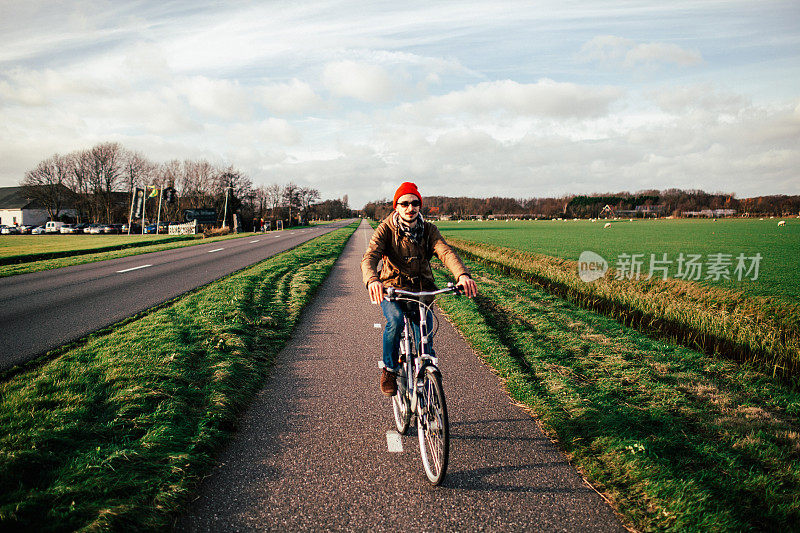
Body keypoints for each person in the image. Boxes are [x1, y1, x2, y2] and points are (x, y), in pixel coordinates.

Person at [361, 182, 478, 396]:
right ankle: (389, 369)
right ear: (396, 206)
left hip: (422, 291)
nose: (410, 208)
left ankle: (428, 379)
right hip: (392, 290)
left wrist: (462, 275)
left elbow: (445, 252)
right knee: (395, 322)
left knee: (425, 335)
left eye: (415, 203)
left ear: (419, 206)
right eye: (404, 203)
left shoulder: (429, 230)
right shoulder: (386, 229)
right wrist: (373, 280)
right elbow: (370, 257)